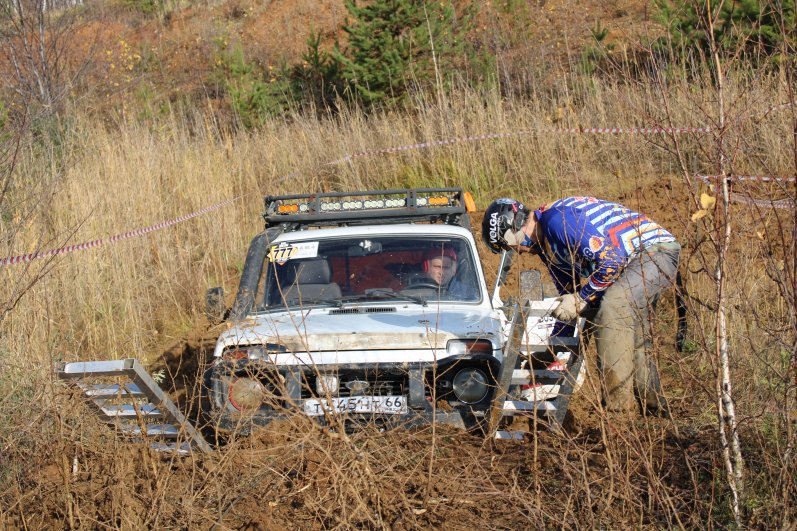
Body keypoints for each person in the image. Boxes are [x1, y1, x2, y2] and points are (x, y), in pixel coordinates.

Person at [481, 196, 681, 416]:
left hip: (655, 251)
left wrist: (582, 297)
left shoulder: (557, 222)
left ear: (517, 227)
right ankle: (653, 409)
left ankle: (619, 411)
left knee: (614, 306)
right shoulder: (549, 249)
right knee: (632, 323)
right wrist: (548, 353)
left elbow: (611, 263)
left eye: (510, 245)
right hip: (632, 262)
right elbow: (568, 307)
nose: (517, 251)